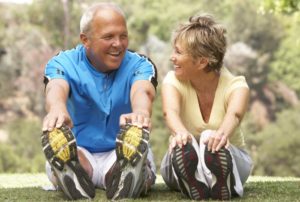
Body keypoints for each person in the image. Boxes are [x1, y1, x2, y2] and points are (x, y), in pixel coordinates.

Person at [41, 2, 157, 200]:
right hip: (79, 149)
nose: (118, 44)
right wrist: (57, 109)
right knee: (73, 156)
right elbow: (56, 87)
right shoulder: (62, 62)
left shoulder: (140, 64)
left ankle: (126, 173)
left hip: (121, 150)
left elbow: (143, 90)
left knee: (127, 160)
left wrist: (141, 112)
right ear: (85, 40)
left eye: (123, 36)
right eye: (108, 37)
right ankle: (70, 168)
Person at [160, 14, 252, 200]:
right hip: (181, 152)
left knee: (208, 139)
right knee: (186, 145)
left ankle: (209, 176)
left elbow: (234, 115)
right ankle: (205, 179)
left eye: (178, 52)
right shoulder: (172, 81)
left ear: (202, 62)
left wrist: (220, 136)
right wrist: (180, 134)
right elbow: (170, 112)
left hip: (231, 157)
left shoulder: (237, 86)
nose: (172, 58)